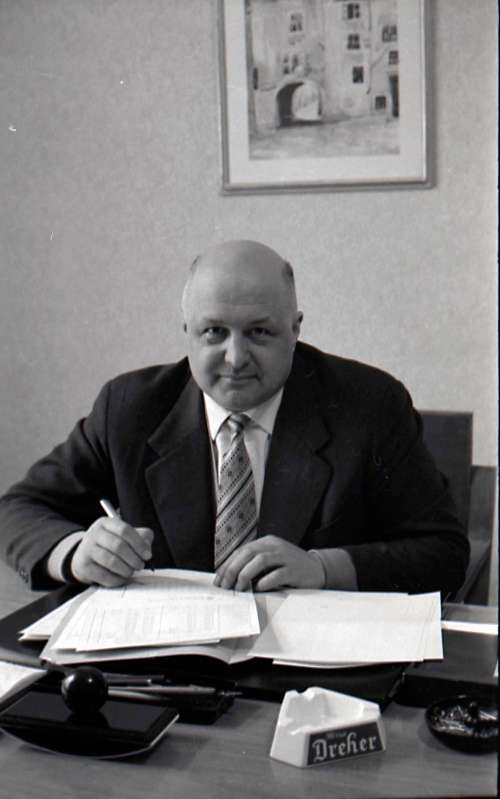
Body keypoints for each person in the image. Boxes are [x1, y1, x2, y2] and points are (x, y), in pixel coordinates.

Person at [0, 240, 469, 595]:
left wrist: (323, 568)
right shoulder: (128, 408)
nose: (235, 358)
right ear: (187, 330)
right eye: (214, 332)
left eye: (259, 332)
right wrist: (73, 553)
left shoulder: (370, 405)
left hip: (312, 674)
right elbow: (17, 509)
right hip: (167, 669)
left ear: (295, 329)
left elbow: (443, 553)